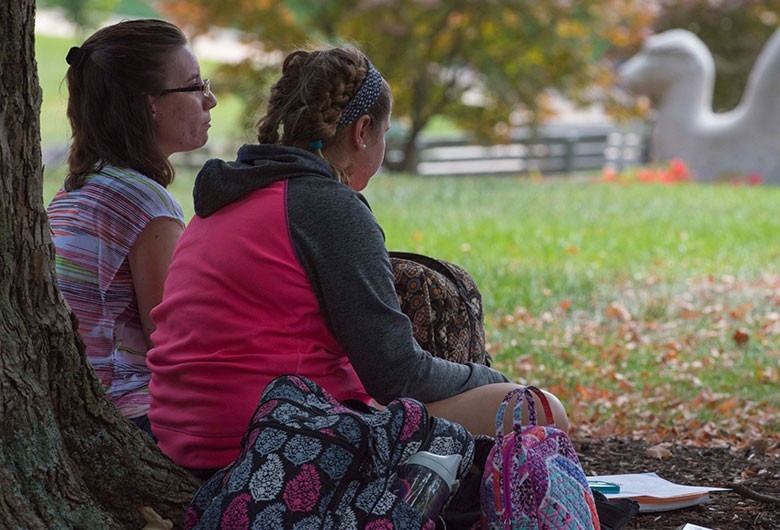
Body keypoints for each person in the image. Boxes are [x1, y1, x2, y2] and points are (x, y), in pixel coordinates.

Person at [147, 46, 568, 477]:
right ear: (362, 131)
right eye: (383, 134)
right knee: (538, 409)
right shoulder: (327, 207)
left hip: (185, 436)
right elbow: (397, 374)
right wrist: (489, 377)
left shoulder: (228, 196)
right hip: (268, 444)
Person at [46, 19, 217, 435]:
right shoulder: (147, 205)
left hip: (77, 407)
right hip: (127, 414)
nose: (209, 99)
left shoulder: (76, 192)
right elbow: (172, 342)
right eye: (194, 86)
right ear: (149, 104)